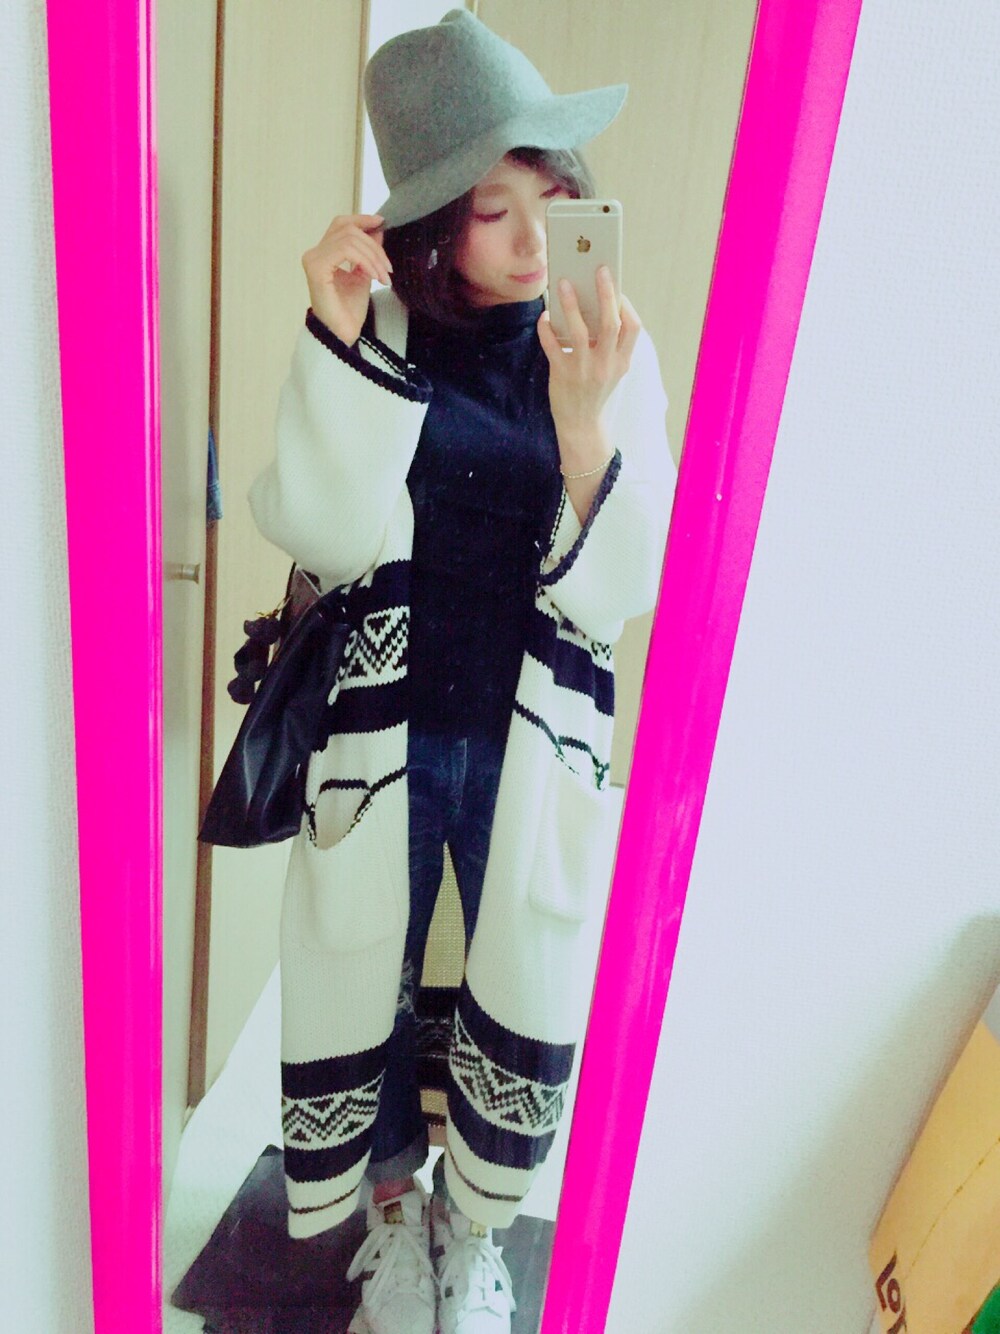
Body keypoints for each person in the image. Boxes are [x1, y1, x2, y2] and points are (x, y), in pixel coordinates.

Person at [248, 10, 674, 1333]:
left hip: (525, 737)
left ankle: (474, 1226)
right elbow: (320, 530)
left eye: (552, 193)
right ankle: (391, 1215)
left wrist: (586, 428)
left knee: (515, 977)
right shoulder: (373, 326)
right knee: (364, 973)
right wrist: (335, 344)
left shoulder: (609, 347)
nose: (537, 237)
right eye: (496, 210)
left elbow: (623, 587)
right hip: (383, 731)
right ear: (436, 228)